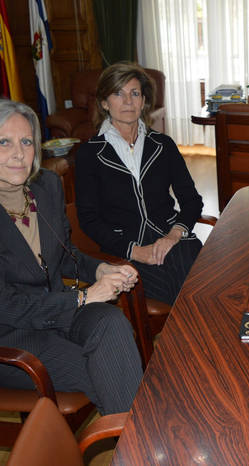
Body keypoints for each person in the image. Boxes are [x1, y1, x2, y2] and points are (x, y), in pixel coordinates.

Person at [0, 99, 142, 414]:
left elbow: (65, 257)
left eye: (26, 141)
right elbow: (6, 306)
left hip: (57, 311)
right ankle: (144, 441)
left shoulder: (46, 186)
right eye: (4, 142)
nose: (18, 153)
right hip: (10, 336)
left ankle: (141, 440)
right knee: (107, 369)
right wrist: (83, 298)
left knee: (112, 324)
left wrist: (102, 270)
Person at [75, 62, 203, 305]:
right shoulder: (89, 154)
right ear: (104, 103)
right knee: (195, 289)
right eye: (118, 94)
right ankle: (200, 333)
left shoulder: (163, 145)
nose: (128, 101)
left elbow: (191, 200)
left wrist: (174, 234)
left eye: (134, 93)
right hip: (124, 250)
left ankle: (191, 334)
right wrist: (136, 251)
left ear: (144, 101)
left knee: (193, 267)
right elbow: (89, 220)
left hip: (172, 240)